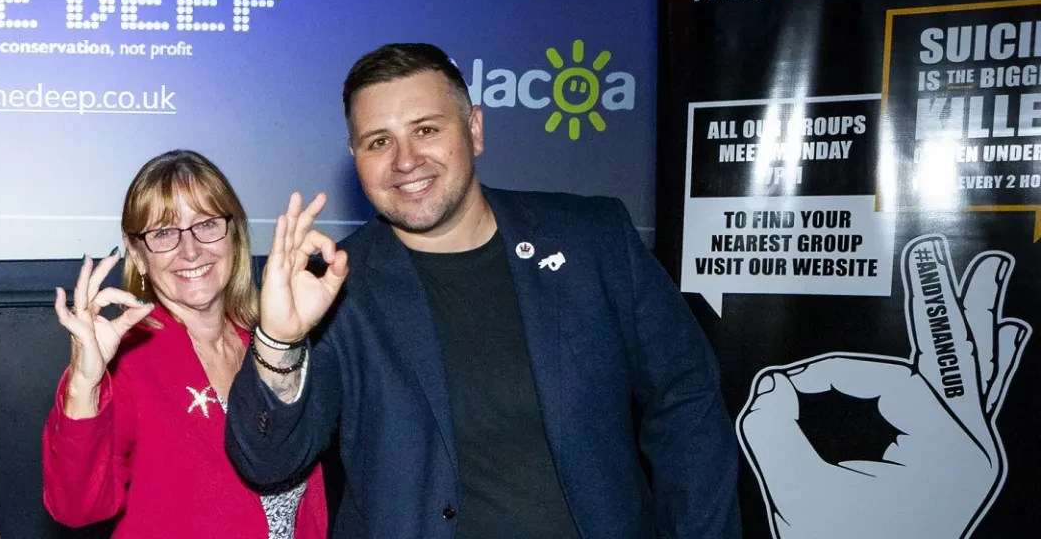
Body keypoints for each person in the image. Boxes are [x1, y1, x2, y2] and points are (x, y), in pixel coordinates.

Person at [224, 43, 741, 538]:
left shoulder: (593, 238)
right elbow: (267, 461)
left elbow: (686, 405)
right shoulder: (336, 286)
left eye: (425, 129)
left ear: (474, 129)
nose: (405, 160)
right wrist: (278, 341)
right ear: (355, 156)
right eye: (378, 141)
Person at [42, 150, 328, 538]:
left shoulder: (271, 342)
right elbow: (77, 507)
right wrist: (83, 385)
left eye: (207, 225)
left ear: (234, 234)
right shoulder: (129, 362)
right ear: (138, 254)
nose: (190, 250)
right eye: (163, 233)